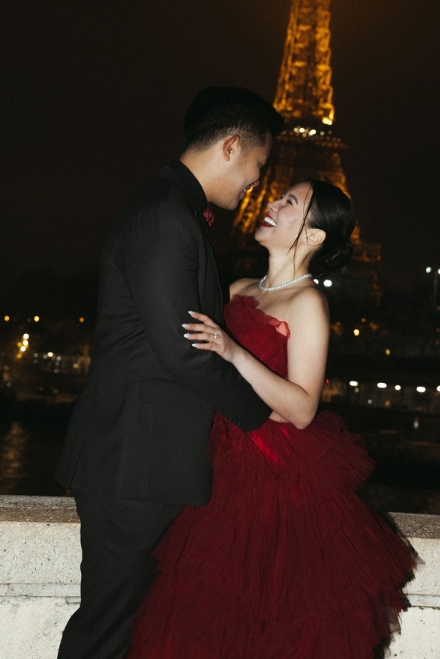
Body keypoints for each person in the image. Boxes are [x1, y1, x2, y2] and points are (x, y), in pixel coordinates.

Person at [128, 178, 417, 659]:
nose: (272, 204)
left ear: (313, 236)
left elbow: (302, 409)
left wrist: (232, 351)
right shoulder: (240, 290)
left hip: (276, 484)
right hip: (221, 468)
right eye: (279, 196)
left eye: (290, 203)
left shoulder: (307, 303)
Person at [55, 87, 285, 659]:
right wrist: (265, 421)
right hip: (134, 463)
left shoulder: (169, 209)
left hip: (142, 459)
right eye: (259, 164)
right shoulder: (163, 215)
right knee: (105, 634)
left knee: (119, 631)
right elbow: (183, 352)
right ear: (231, 146)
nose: (257, 181)